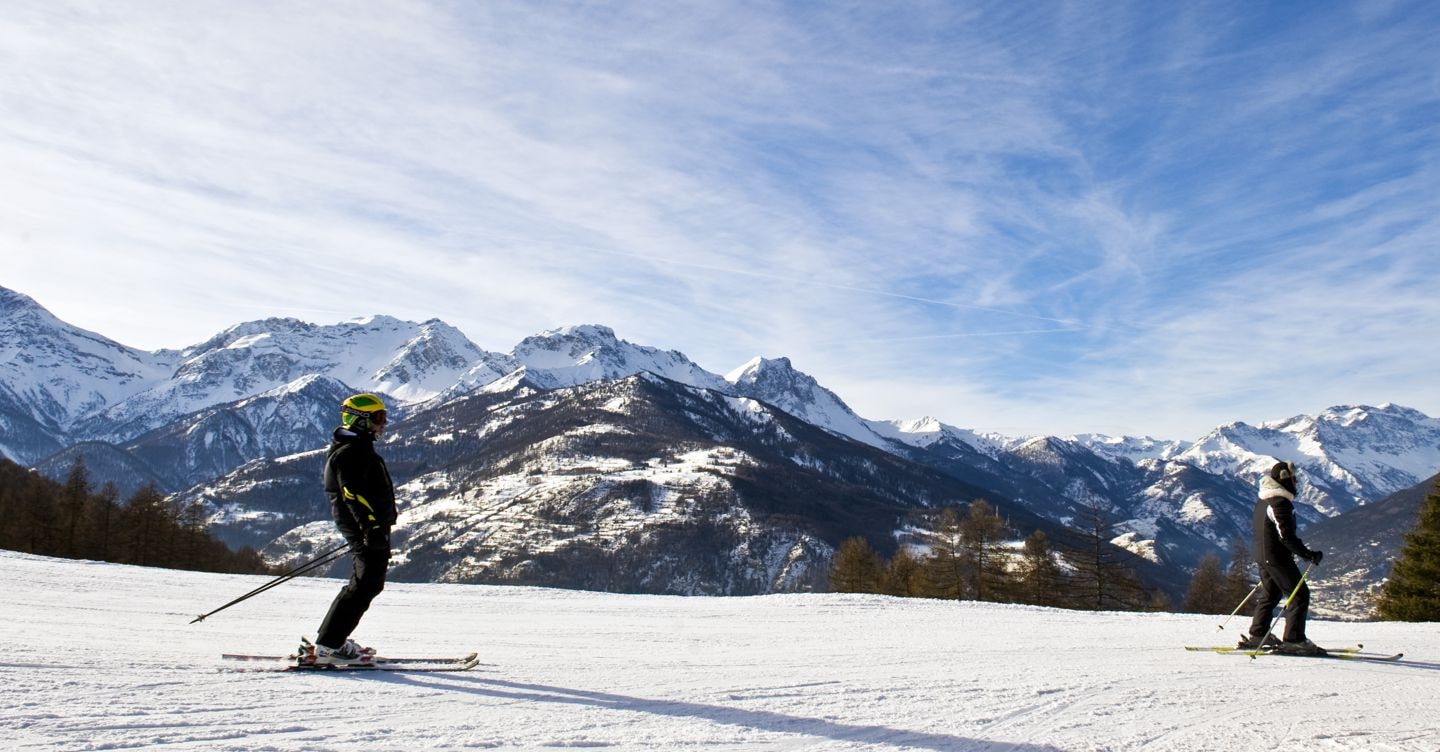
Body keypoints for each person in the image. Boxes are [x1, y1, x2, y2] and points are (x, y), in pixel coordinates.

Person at [308, 393, 396, 666]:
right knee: (365, 583)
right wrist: (370, 528)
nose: (384, 425)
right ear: (360, 420)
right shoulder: (351, 453)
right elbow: (352, 494)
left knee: (366, 584)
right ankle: (329, 645)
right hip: (364, 528)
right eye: (378, 419)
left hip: (368, 528)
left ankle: (330, 641)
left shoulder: (357, 448)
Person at [1239, 460, 1324, 654]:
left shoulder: (1263, 502)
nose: (1296, 483)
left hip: (1262, 556)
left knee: (1272, 593)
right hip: (1277, 558)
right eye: (1294, 479)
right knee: (1300, 594)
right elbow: (1286, 536)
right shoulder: (1280, 503)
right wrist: (1308, 554)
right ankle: (1294, 640)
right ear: (1285, 479)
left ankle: (1258, 634)